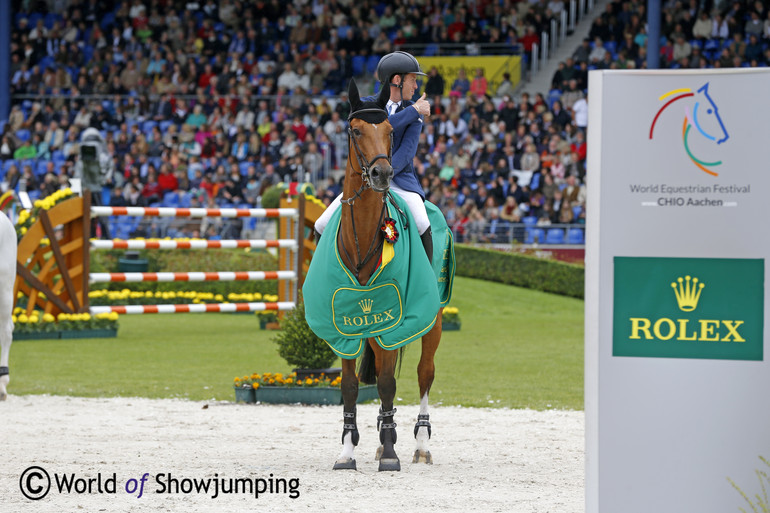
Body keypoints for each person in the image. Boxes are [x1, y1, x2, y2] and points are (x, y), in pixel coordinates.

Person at [314, 51, 434, 261]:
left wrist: (385, 173)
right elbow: (380, 127)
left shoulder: (414, 113)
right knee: (321, 224)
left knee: (422, 222)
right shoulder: (368, 104)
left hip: (399, 181)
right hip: (365, 179)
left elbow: (407, 152)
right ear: (397, 80)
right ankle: (327, 276)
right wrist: (414, 110)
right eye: (413, 80)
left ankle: (427, 281)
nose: (416, 87)